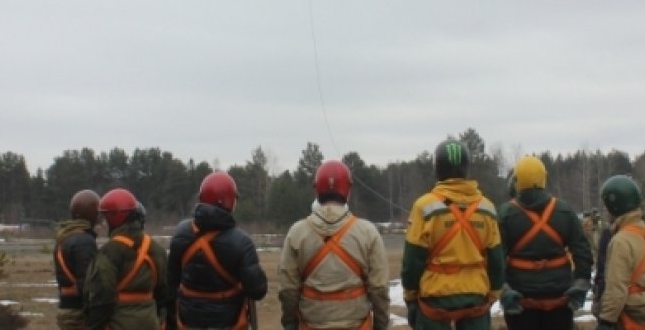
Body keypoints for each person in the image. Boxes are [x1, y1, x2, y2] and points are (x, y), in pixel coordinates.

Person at [401, 139, 505, 330]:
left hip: (435, 300)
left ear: (437, 168)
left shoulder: (424, 207)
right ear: (466, 168)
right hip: (476, 298)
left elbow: (412, 260)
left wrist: (410, 296)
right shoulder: (487, 208)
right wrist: (493, 294)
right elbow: (497, 259)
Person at [278, 160, 390, 330]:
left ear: (316, 189)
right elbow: (379, 288)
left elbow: (288, 290)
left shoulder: (297, 233)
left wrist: (290, 324)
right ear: (348, 190)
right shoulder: (368, 232)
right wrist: (381, 325)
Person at [496, 156, 592, 330]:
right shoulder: (564, 210)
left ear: (517, 181)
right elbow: (582, 251)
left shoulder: (506, 214)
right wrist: (581, 281)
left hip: (520, 301)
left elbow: (497, 257)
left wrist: (503, 289)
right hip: (560, 299)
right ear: (543, 178)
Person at [167, 171, 268, 330]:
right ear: (230, 201)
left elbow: (171, 282)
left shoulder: (180, 233)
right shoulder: (242, 242)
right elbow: (257, 291)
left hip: (187, 322)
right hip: (228, 323)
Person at [85, 188, 169, 330]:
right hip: (150, 322)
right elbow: (164, 293)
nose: (105, 223)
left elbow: (101, 296)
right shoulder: (157, 249)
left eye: (106, 218)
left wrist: (94, 325)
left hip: (118, 323)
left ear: (113, 217)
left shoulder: (109, 251)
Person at [593, 175, 645, 330]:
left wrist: (606, 321)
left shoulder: (621, 241)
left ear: (614, 206)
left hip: (630, 315)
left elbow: (616, 289)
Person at [55, 190, 101, 330]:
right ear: (92, 214)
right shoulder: (84, 242)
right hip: (79, 314)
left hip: (67, 309)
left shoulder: (65, 238)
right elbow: (88, 283)